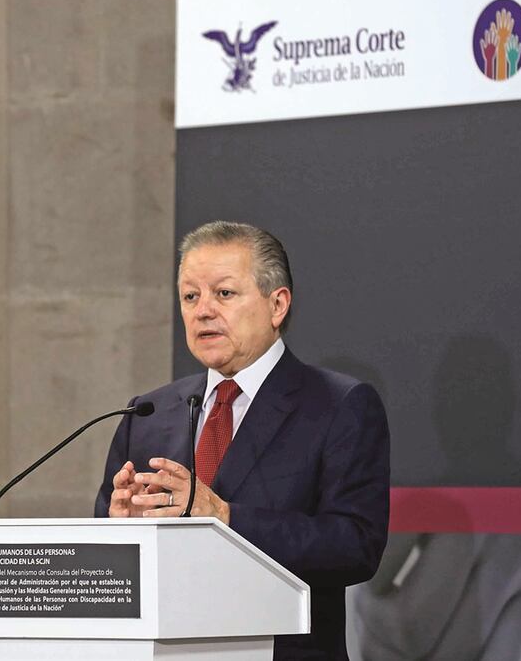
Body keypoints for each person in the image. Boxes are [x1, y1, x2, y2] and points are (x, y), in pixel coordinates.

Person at [95, 221, 390, 660]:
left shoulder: (338, 405)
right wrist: (120, 532)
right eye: (190, 296)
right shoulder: (148, 413)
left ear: (277, 305)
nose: (203, 311)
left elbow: (354, 546)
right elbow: (108, 561)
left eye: (224, 293)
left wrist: (225, 516)